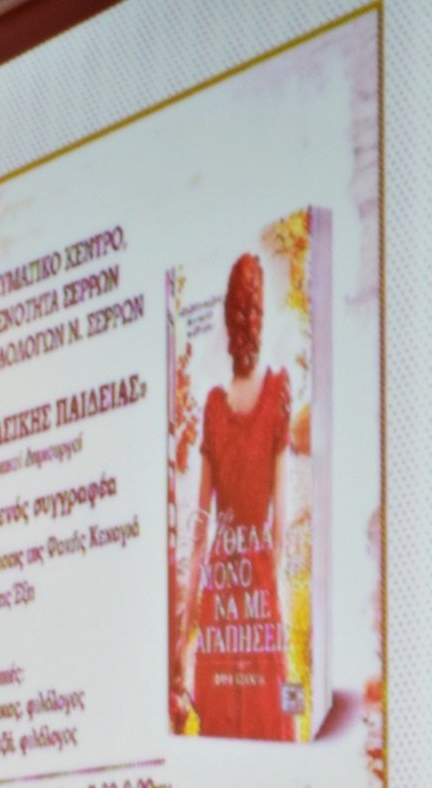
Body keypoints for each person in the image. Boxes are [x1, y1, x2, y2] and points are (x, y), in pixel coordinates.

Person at [172, 252, 293, 739]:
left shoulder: (214, 408)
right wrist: (271, 605)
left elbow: (200, 535)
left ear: (228, 322)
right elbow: (280, 532)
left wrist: (186, 635)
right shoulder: (277, 393)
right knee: (269, 723)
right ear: (258, 318)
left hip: (222, 586)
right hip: (257, 581)